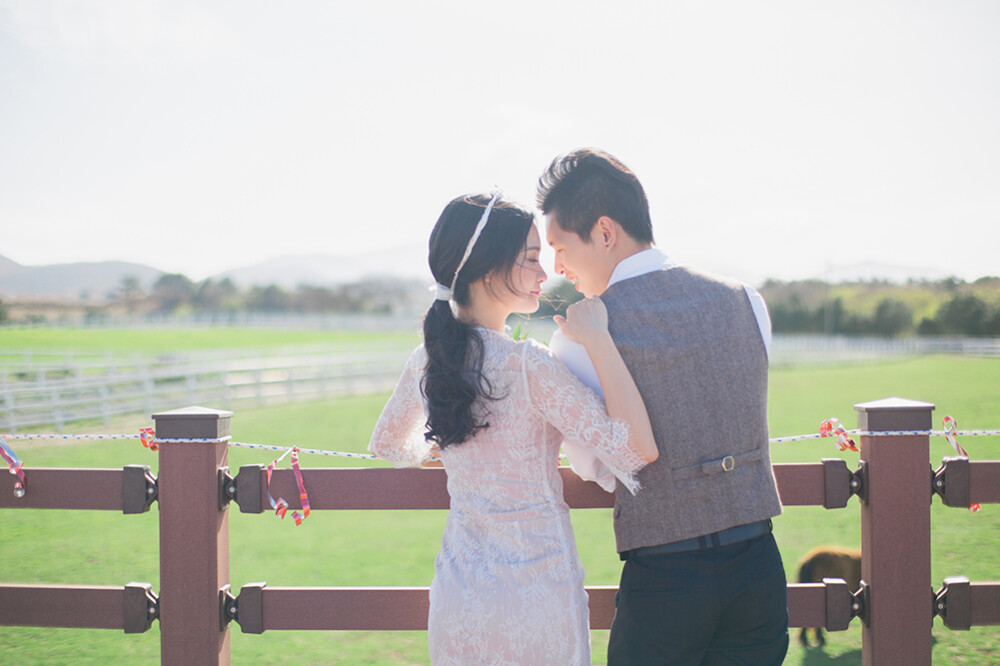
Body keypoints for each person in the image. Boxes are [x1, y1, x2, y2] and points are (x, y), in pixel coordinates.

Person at [367, 191, 658, 665]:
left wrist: (439, 448)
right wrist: (599, 339)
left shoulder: (427, 361)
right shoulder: (528, 367)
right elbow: (633, 452)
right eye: (530, 260)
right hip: (538, 597)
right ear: (487, 271)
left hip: (460, 599)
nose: (545, 274)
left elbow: (387, 444)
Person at [536, 149, 789, 665]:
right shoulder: (746, 300)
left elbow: (602, 468)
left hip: (666, 582)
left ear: (605, 233)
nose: (555, 266)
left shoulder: (577, 340)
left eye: (560, 246)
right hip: (760, 567)